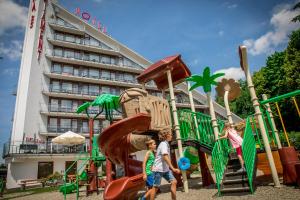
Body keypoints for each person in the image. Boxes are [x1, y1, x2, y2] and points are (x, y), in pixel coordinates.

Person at [151, 130, 180, 200]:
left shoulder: (166, 144)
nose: (171, 135)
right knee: (155, 187)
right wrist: (173, 168)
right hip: (158, 169)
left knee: (174, 182)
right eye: (170, 134)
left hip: (165, 169)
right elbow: (165, 157)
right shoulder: (163, 144)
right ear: (166, 136)